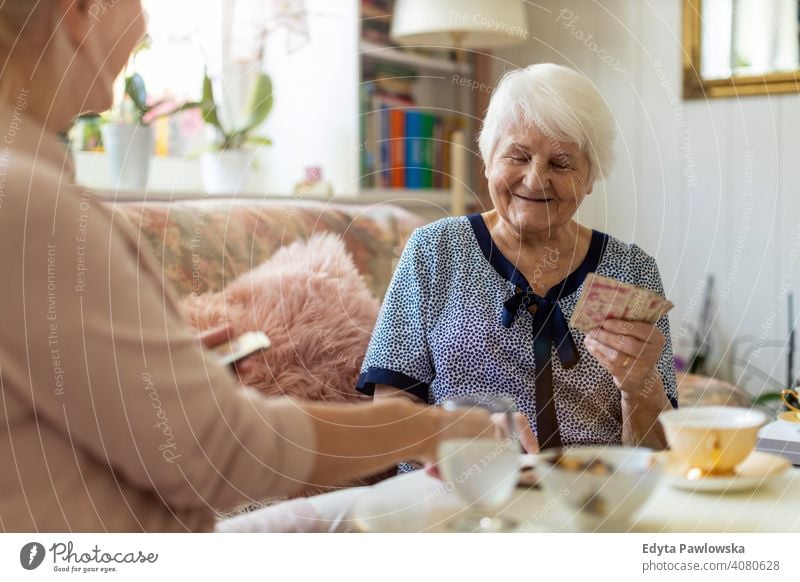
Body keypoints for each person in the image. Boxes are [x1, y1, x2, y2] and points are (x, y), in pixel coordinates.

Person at [0, 0, 494, 532]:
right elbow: (218, 452)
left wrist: (174, 370)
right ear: (80, 13)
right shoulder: (29, 205)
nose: (146, 25)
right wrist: (423, 430)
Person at [358, 63, 677, 466]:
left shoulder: (632, 270)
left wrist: (640, 386)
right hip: (467, 492)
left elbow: (660, 459)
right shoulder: (435, 250)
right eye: (518, 156)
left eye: (561, 164)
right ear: (488, 160)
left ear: (591, 177)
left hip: (593, 501)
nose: (535, 179)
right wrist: (452, 453)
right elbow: (391, 405)